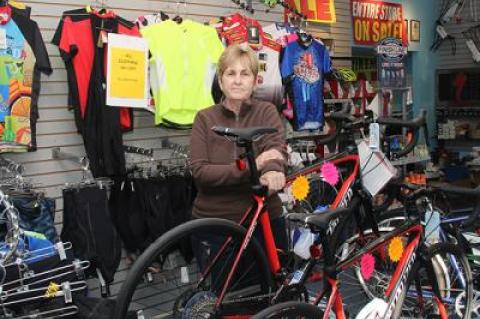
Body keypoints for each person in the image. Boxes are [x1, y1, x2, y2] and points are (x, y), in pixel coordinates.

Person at [189, 43, 288, 290]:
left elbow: (274, 148)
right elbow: (201, 173)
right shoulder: (205, 118)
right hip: (216, 226)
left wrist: (273, 169)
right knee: (222, 301)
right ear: (220, 81)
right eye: (230, 73)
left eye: (245, 74)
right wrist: (251, 166)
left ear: (255, 81)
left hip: (264, 222)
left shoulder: (266, 111)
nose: (237, 80)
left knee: (270, 296)